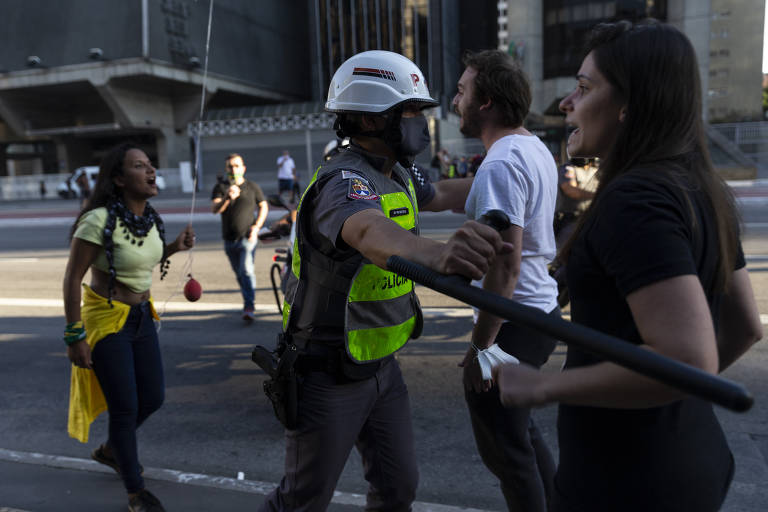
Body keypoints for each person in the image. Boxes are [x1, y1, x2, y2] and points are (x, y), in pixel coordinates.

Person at [494, 20, 763, 512]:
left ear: (629, 105)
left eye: (583, 88)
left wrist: (543, 385)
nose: (565, 104)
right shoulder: (699, 186)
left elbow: (687, 359)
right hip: (687, 457)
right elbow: (743, 327)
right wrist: (665, 395)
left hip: (625, 480)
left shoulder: (635, 200)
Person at [259, 49, 508, 511]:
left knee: (398, 488)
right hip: (327, 370)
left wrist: (518, 171)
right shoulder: (343, 182)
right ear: (370, 121)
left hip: (381, 368)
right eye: (409, 112)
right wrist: (440, 254)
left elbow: (450, 192)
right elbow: (372, 233)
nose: (421, 122)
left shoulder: (399, 172)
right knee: (302, 499)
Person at [453, 49, 560, 511]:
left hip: (514, 320)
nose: (454, 99)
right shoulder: (529, 147)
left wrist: (481, 346)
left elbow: (504, 264)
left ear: (485, 101)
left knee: (507, 450)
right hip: (538, 313)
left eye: (461, 90)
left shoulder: (500, 164)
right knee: (521, 431)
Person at [62, 143, 195, 512]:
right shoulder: (98, 220)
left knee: (152, 397)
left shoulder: (149, 217)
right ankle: (136, 493)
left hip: (141, 318)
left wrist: (172, 248)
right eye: (140, 166)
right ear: (119, 179)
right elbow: (73, 278)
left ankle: (110, 450)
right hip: (107, 319)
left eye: (151, 164)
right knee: (125, 407)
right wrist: (75, 335)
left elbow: (140, 260)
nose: (151, 171)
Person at [211, 153, 269, 323]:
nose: (233, 169)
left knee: (246, 270)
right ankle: (248, 298)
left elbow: (263, 206)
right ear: (226, 169)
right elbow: (215, 209)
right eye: (230, 166)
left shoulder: (252, 187)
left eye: (236, 166)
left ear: (243, 168)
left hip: (247, 237)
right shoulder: (221, 187)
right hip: (229, 239)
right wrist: (227, 197)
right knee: (239, 274)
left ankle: (249, 306)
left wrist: (257, 227)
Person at [553, 157, 599, 247]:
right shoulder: (568, 168)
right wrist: (598, 195)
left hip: (591, 219)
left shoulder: (597, 169)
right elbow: (571, 191)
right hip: (571, 220)